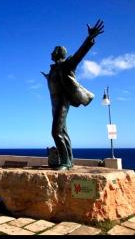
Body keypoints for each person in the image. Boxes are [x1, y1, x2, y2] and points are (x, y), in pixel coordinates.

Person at [41, 20, 104, 170]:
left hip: (63, 101)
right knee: (63, 132)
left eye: (53, 51)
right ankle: (69, 160)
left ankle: (65, 162)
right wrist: (49, 77)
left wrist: (89, 39)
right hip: (54, 103)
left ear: (58, 53)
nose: (50, 53)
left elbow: (79, 55)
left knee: (55, 132)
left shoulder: (66, 64)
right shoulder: (53, 69)